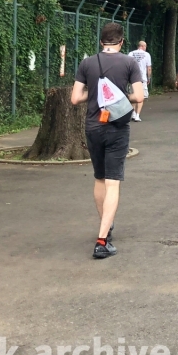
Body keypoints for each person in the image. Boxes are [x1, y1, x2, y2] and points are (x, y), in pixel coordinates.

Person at [71, 21, 145, 260]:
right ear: (121, 42)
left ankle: (105, 223)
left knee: (99, 178)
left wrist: (94, 95)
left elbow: (74, 98)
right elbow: (139, 95)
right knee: (113, 182)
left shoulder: (87, 63)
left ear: (101, 41)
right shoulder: (129, 62)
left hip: (93, 126)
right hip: (117, 128)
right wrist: (120, 96)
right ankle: (102, 241)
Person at [126, 40, 153, 121]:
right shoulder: (147, 54)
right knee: (141, 97)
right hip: (142, 78)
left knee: (133, 95)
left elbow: (127, 66)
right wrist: (149, 78)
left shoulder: (131, 53)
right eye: (145, 46)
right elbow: (149, 68)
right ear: (143, 46)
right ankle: (137, 115)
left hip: (132, 78)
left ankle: (133, 113)